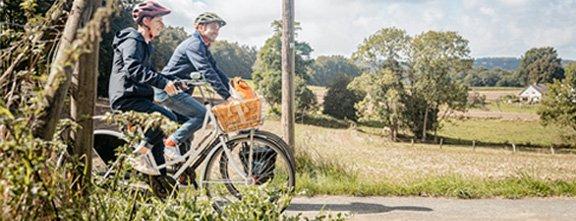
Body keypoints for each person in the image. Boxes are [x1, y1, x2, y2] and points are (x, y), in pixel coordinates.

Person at [108, 0, 182, 175]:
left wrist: (174, 82)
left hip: (138, 97)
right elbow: (133, 68)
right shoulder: (132, 39)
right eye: (159, 21)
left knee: (157, 151)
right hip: (126, 99)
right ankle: (138, 155)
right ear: (147, 20)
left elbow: (149, 72)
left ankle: (160, 183)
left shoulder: (146, 45)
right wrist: (163, 84)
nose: (162, 25)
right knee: (168, 119)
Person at [154, 12, 235, 149]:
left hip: (177, 91)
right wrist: (226, 96)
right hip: (169, 90)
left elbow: (215, 70)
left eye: (218, 28)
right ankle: (168, 144)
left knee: (186, 135)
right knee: (204, 115)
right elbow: (207, 71)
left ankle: (181, 167)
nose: (217, 30)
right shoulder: (194, 45)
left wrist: (232, 88)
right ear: (201, 28)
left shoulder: (202, 47)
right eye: (214, 26)